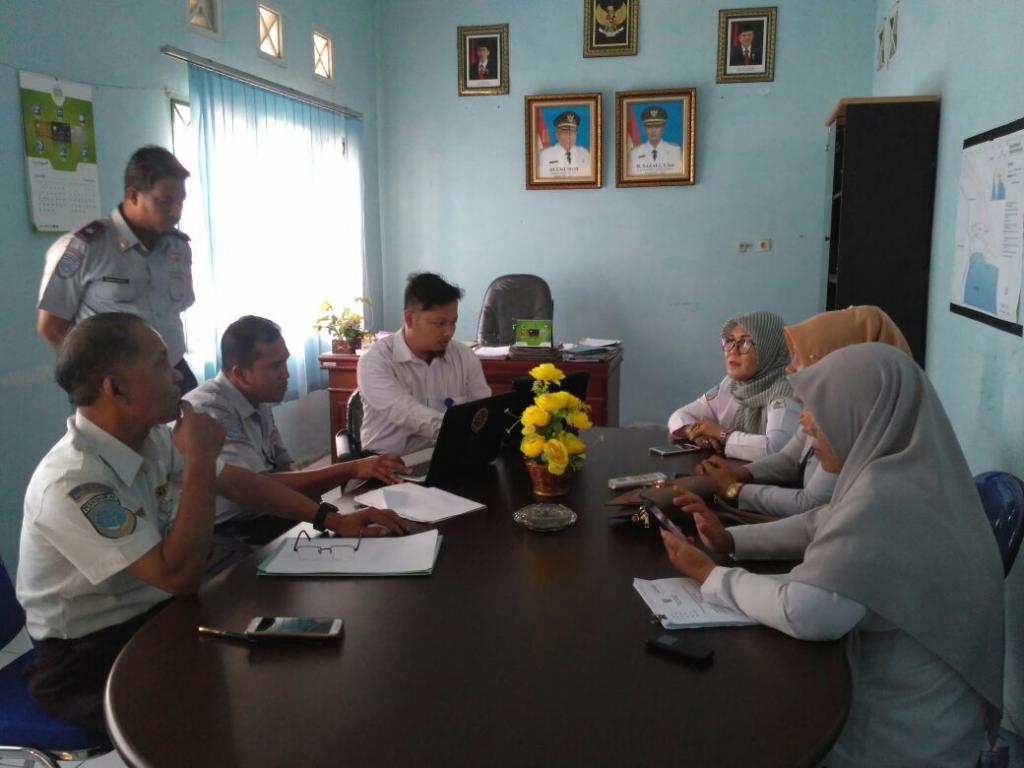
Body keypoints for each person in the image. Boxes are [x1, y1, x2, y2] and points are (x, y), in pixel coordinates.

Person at [17, 313, 405, 736]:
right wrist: (200, 460)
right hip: (88, 655)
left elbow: (243, 484)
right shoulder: (74, 481)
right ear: (116, 388)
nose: (178, 377)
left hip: (159, 617)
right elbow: (178, 576)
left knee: (301, 660)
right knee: (236, 711)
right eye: (161, 364)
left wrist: (332, 518)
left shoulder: (153, 438)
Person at [662, 343, 1004, 766]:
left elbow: (809, 612)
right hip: (920, 722)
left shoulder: (887, 497)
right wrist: (732, 542)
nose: (804, 424)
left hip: (900, 746)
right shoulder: (908, 471)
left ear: (861, 413)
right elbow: (821, 522)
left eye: (816, 409)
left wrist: (711, 576)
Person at [185, 315, 410, 569]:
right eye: (275, 366)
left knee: (366, 544)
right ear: (240, 374)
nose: (286, 374)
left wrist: (323, 511)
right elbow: (254, 488)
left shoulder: (257, 399)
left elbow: (285, 467)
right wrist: (352, 468)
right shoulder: (208, 411)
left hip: (265, 514)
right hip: (225, 532)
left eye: (286, 362)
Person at [692, 305, 911, 518]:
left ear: (836, 358)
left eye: (801, 356)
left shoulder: (854, 420)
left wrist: (734, 489)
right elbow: (789, 457)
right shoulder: (828, 405)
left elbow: (811, 505)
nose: (789, 367)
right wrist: (738, 475)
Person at [36, 145, 200, 394]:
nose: (176, 211)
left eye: (181, 201)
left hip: (174, 372)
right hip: (118, 385)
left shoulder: (178, 247)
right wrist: (95, 380)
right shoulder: (85, 247)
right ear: (133, 195)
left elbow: (179, 308)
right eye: (165, 201)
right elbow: (51, 326)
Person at [357, 272, 491, 455]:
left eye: (453, 322)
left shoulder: (465, 356)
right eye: (440, 323)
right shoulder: (375, 361)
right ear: (410, 319)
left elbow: (483, 409)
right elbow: (406, 412)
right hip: (387, 465)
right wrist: (457, 431)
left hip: (447, 458)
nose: (449, 332)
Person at [667, 310, 800, 461]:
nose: (733, 351)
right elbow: (679, 415)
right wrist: (694, 433)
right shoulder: (732, 385)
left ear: (769, 349)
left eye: (745, 342)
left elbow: (775, 449)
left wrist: (721, 434)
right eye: (729, 341)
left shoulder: (786, 391)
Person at [629, 106, 682, 175]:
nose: (653, 131)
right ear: (645, 129)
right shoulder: (635, 153)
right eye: (649, 127)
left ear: (663, 129)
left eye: (657, 126)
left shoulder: (675, 151)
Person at [538, 111, 592, 178]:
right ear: (557, 135)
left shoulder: (585, 153)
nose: (569, 136)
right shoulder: (545, 155)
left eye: (572, 131)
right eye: (565, 131)